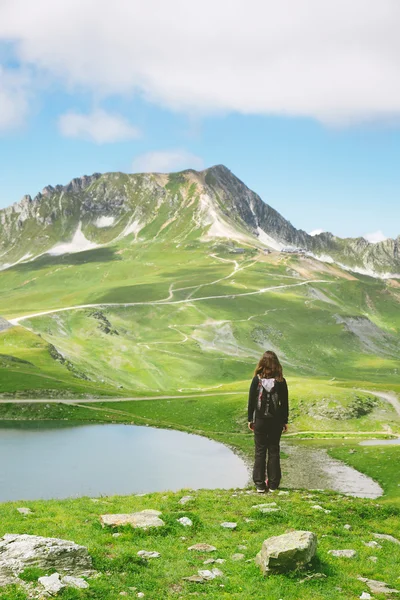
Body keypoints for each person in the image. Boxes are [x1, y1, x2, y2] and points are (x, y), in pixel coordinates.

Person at [247, 350, 289, 493]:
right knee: (274, 451)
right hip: (275, 422)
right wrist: (285, 421)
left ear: (262, 363)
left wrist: (250, 419)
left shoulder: (256, 380)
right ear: (276, 363)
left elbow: (251, 401)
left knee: (260, 451)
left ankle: (259, 484)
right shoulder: (281, 381)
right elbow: (284, 403)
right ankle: (273, 484)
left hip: (259, 420)